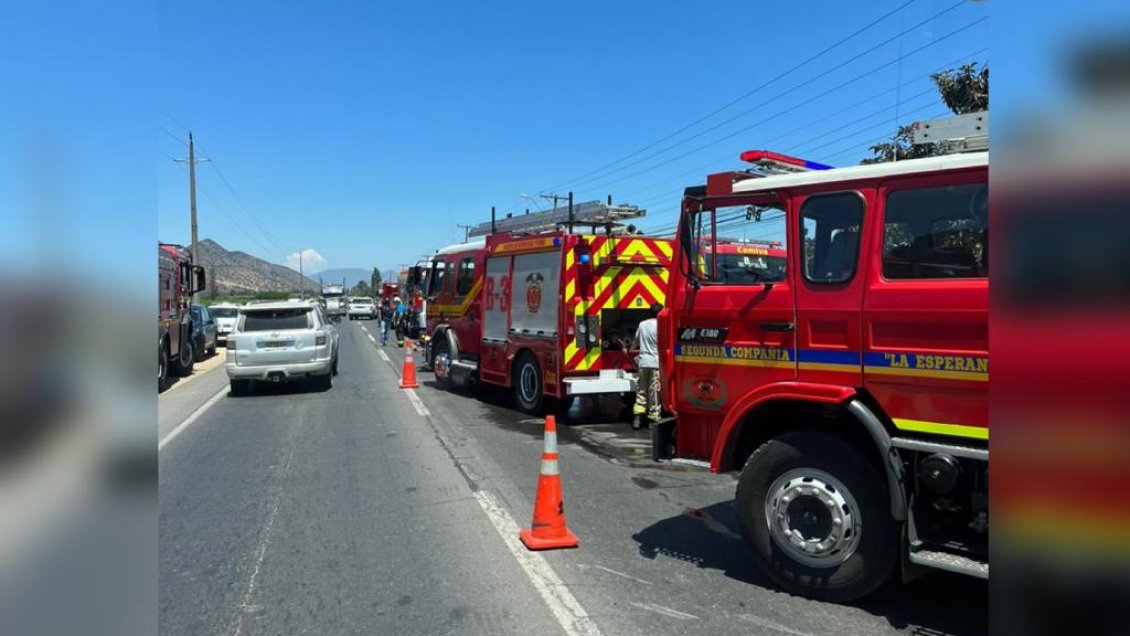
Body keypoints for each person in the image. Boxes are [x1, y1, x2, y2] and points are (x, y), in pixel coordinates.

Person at [629, 303, 663, 430]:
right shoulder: (661, 325)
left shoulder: (642, 324)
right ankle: (653, 418)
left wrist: (630, 350)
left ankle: (638, 417)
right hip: (655, 363)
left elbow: (635, 341)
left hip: (643, 363)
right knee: (654, 391)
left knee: (641, 390)